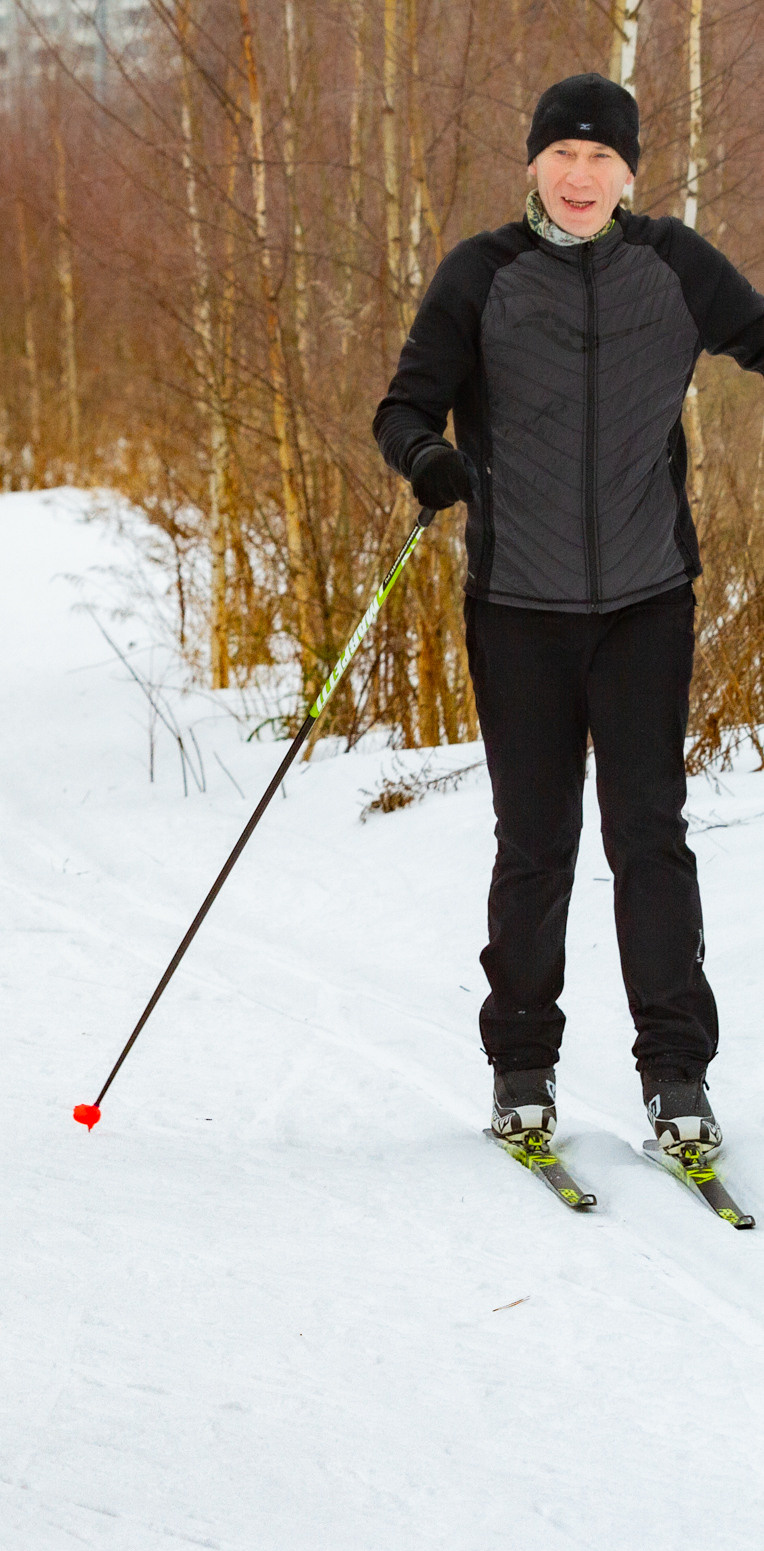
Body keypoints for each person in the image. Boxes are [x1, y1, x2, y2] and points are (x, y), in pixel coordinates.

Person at [374, 73, 764, 1169]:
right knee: (536, 844)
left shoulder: (674, 265)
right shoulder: (481, 273)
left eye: (602, 158)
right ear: (534, 163)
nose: (580, 176)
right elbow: (403, 404)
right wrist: (428, 455)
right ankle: (521, 1069)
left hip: (646, 600)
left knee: (650, 837)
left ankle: (676, 1074)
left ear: (629, 172)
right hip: (519, 609)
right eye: (563, 155)